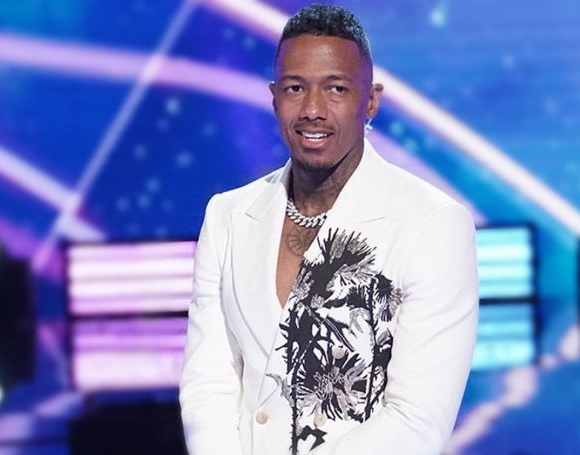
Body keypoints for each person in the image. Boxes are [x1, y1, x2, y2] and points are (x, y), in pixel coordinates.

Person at [179, 4, 478, 455]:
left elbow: (416, 420)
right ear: (274, 98)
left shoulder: (433, 224)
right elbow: (209, 384)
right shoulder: (228, 215)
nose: (313, 110)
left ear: (370, 100)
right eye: (295, 88)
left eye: (336, 88)